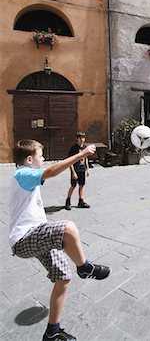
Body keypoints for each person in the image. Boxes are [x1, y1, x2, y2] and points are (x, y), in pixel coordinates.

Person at [9, 139, 111, 341]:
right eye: (40, 155)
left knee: (63, 276)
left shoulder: (27, 175)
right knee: (68, 227)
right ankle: (85, 268)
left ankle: (52, 332)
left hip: (36, 234)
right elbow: (52, 172)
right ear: (30, 159)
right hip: (24, 238)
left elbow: (47, 172)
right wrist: (80, 156)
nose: (44, 158)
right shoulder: (21, 173)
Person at [65, 132, 90, 210]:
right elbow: (70, 161)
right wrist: (73, 172)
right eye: (80, 138)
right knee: (73, 186)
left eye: (83, 138)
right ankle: (68, 201)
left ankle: (81, 201)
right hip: (75, 169)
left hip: (82, 169)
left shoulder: (85, 147)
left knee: (81, 185)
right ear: (77, 139)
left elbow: (86, 158)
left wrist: (87, 169)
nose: (82, 140)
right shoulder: (74, 148)